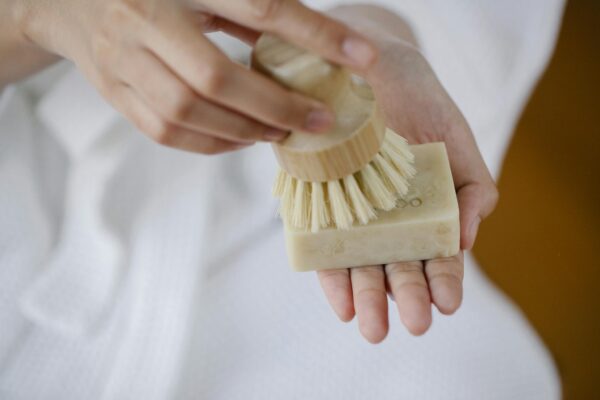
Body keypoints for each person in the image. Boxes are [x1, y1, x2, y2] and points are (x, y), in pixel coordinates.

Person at [0, 0, 564, 398]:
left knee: (484, 381)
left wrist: (376, 24)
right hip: (25, 183)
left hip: (255, 211)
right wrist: (32, 16)